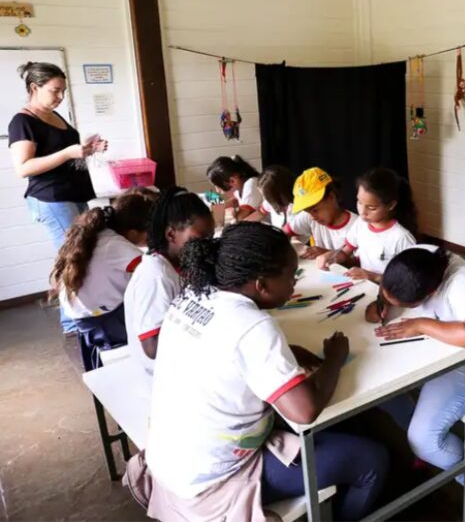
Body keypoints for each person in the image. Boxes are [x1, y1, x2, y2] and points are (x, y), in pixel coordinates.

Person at [142, 223, 388, 521]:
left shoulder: (192, 297)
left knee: (345, 428)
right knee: (373, 461)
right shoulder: (253, 326)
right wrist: (334, 359)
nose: (294, 285)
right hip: (213, 484)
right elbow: (305, 411)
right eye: (290, 276)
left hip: (170, 463)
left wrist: (288, 352)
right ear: (261, 285)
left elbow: (224, 352)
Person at [368, 246, 465, 488]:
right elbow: (387, 282)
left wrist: (421, 324)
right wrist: (382, 302)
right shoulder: (418, 256)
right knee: (379, 391)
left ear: (429, 293)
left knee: (424, 440)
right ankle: (430, 452)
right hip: (436, 351)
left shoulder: (461, 284)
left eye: (405, 304)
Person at [8, 61, 108, 333]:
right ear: (34, 88)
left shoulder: (54, 115)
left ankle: (80, 315)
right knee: (73, 258)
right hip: (51, 199)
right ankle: (72, 322)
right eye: (55, 90)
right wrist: (67, 153)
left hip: (74, 193)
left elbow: (64, 154)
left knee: (80, 254)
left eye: (63, 90)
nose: (61, 97)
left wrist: (87, 149)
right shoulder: (23, 122)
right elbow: (23, 168)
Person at [50, 189, 155, 349]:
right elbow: (154, 270)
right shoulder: (116, 246)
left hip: (86, 320)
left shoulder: (98, 234)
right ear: (133, 233)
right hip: (105, 323)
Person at [124, 187, 214, 372]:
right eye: (199, 239)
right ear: (171, 234)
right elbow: (152, 348)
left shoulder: (179, 263)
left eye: (210, 238)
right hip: (162, 372)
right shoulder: (156, 275)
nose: (206, 246)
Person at [320, 167, 417, 283]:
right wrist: (331, 256)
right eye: (359, 202)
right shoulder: (361, 224)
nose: (362, 211)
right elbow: (345, 252)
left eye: (371, 208)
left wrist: (373, 276)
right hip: (365, 286)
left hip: (389, 293)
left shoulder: (401, 238)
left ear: (391, 205)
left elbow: (409, 280)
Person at [284, 168, 357, 259]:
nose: (312, 216)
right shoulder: (309, 216)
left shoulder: (357, 226)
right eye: (307, 211)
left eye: (315, 210)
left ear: (331, 197)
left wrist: (327, 254)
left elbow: (362, 266)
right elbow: (284, 233)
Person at [207, 155, 263, 222]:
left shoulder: (251, 184)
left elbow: (242, 216)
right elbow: (235, 200)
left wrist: (234, 214)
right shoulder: (240, 186)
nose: (217, 191)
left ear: (232, 181)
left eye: (219, 187)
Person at [255, 165, 298, 230]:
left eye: (266, 197)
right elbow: (260, 213)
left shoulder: (300, 208)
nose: (264, 199)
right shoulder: (268, 203)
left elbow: (292, 235)